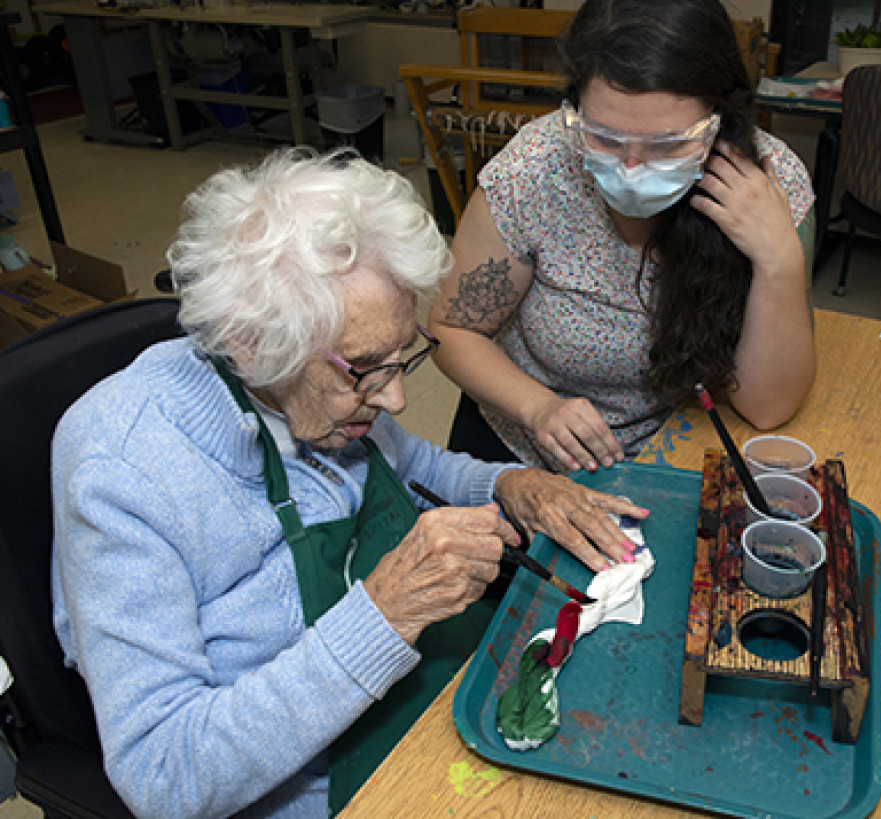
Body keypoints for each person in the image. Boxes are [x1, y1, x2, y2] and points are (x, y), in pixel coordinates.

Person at [50, 148, 648, 819]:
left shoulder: (326, 400)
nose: (393, 397)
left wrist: (514, 483)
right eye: (366, 369)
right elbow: (164, 776)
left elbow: (418, 468)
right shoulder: (125, 467)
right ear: (252, 342)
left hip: (435, 698)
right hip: (316, 787)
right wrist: (386, 613)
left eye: (402, 357)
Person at [429, 0, 817, 473]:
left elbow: (767, 407)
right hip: (525, 446)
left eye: (669, 144)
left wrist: (779, 261)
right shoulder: (533, 171)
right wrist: (539, 408)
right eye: (606, 139)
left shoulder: (769, 184)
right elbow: (451, 330)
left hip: (677, 446)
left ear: (719, 121)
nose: (632, 170)